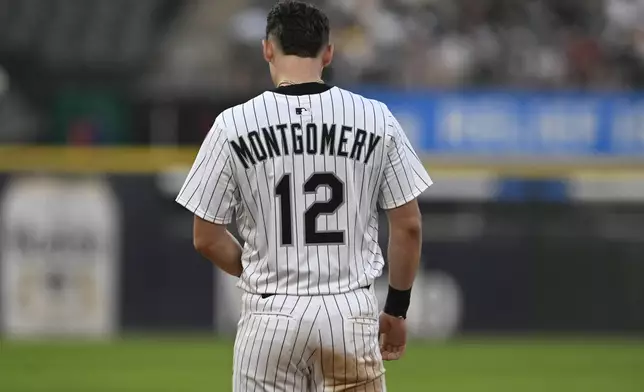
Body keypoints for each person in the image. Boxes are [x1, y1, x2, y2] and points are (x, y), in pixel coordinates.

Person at [176, 1, 432, 390]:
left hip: (270, 315)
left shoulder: (233, 125)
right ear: (328, 52)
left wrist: (262, 276)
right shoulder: (376, 118)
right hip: (347, 311)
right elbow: (408, 226)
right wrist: (395, 310)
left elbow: (205, 237)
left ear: (267, 48)